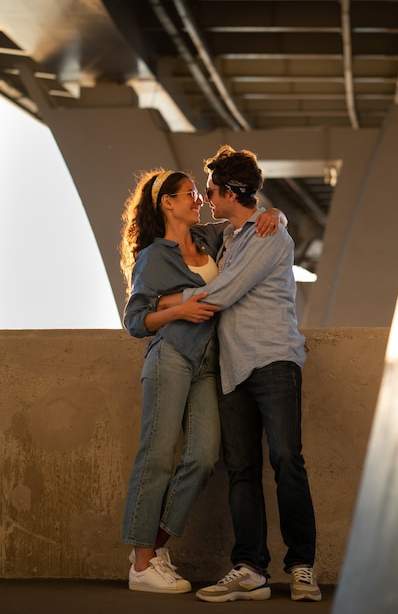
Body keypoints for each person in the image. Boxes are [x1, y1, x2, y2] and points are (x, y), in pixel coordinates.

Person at [161, 145, 322, 603]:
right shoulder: (230, 234)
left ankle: (302, 567)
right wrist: (278, 211)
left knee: (287, 462)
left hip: (272, 360)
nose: (206, 197)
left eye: (210, 190)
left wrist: (166, 306)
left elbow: (223, 293)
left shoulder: (269, 237)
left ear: (231, 191)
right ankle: (250, 569)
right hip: (233, 368)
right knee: (242, 471)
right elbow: (183, 229)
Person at [119, 168, 279, 594]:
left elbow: (246, 218)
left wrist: (273, 212)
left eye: (197, 192)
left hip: (209, 362)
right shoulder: (154, 256)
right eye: (189, 194)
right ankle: (140, 566)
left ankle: (156, 549)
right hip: (171, 354)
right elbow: (136, 321)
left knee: (205, 457)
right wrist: (177, 310)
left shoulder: (211, 238)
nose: (198, 199)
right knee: (155, 456)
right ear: (166, 203)